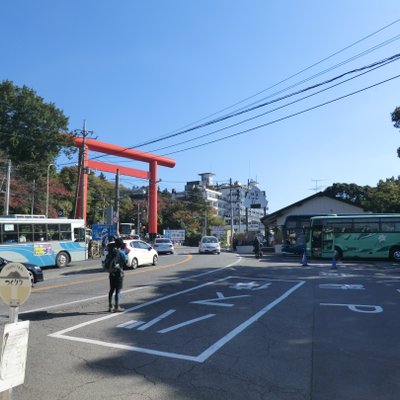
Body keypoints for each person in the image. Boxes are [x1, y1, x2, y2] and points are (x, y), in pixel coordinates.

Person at [107, 237, 126, 312]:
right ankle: (117, 307)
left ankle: (110, 306)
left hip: (111, 273)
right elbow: (125, 261)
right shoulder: (121, 252)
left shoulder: (111, 251)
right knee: (117, 290)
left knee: (111, 289)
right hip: (118, 273)